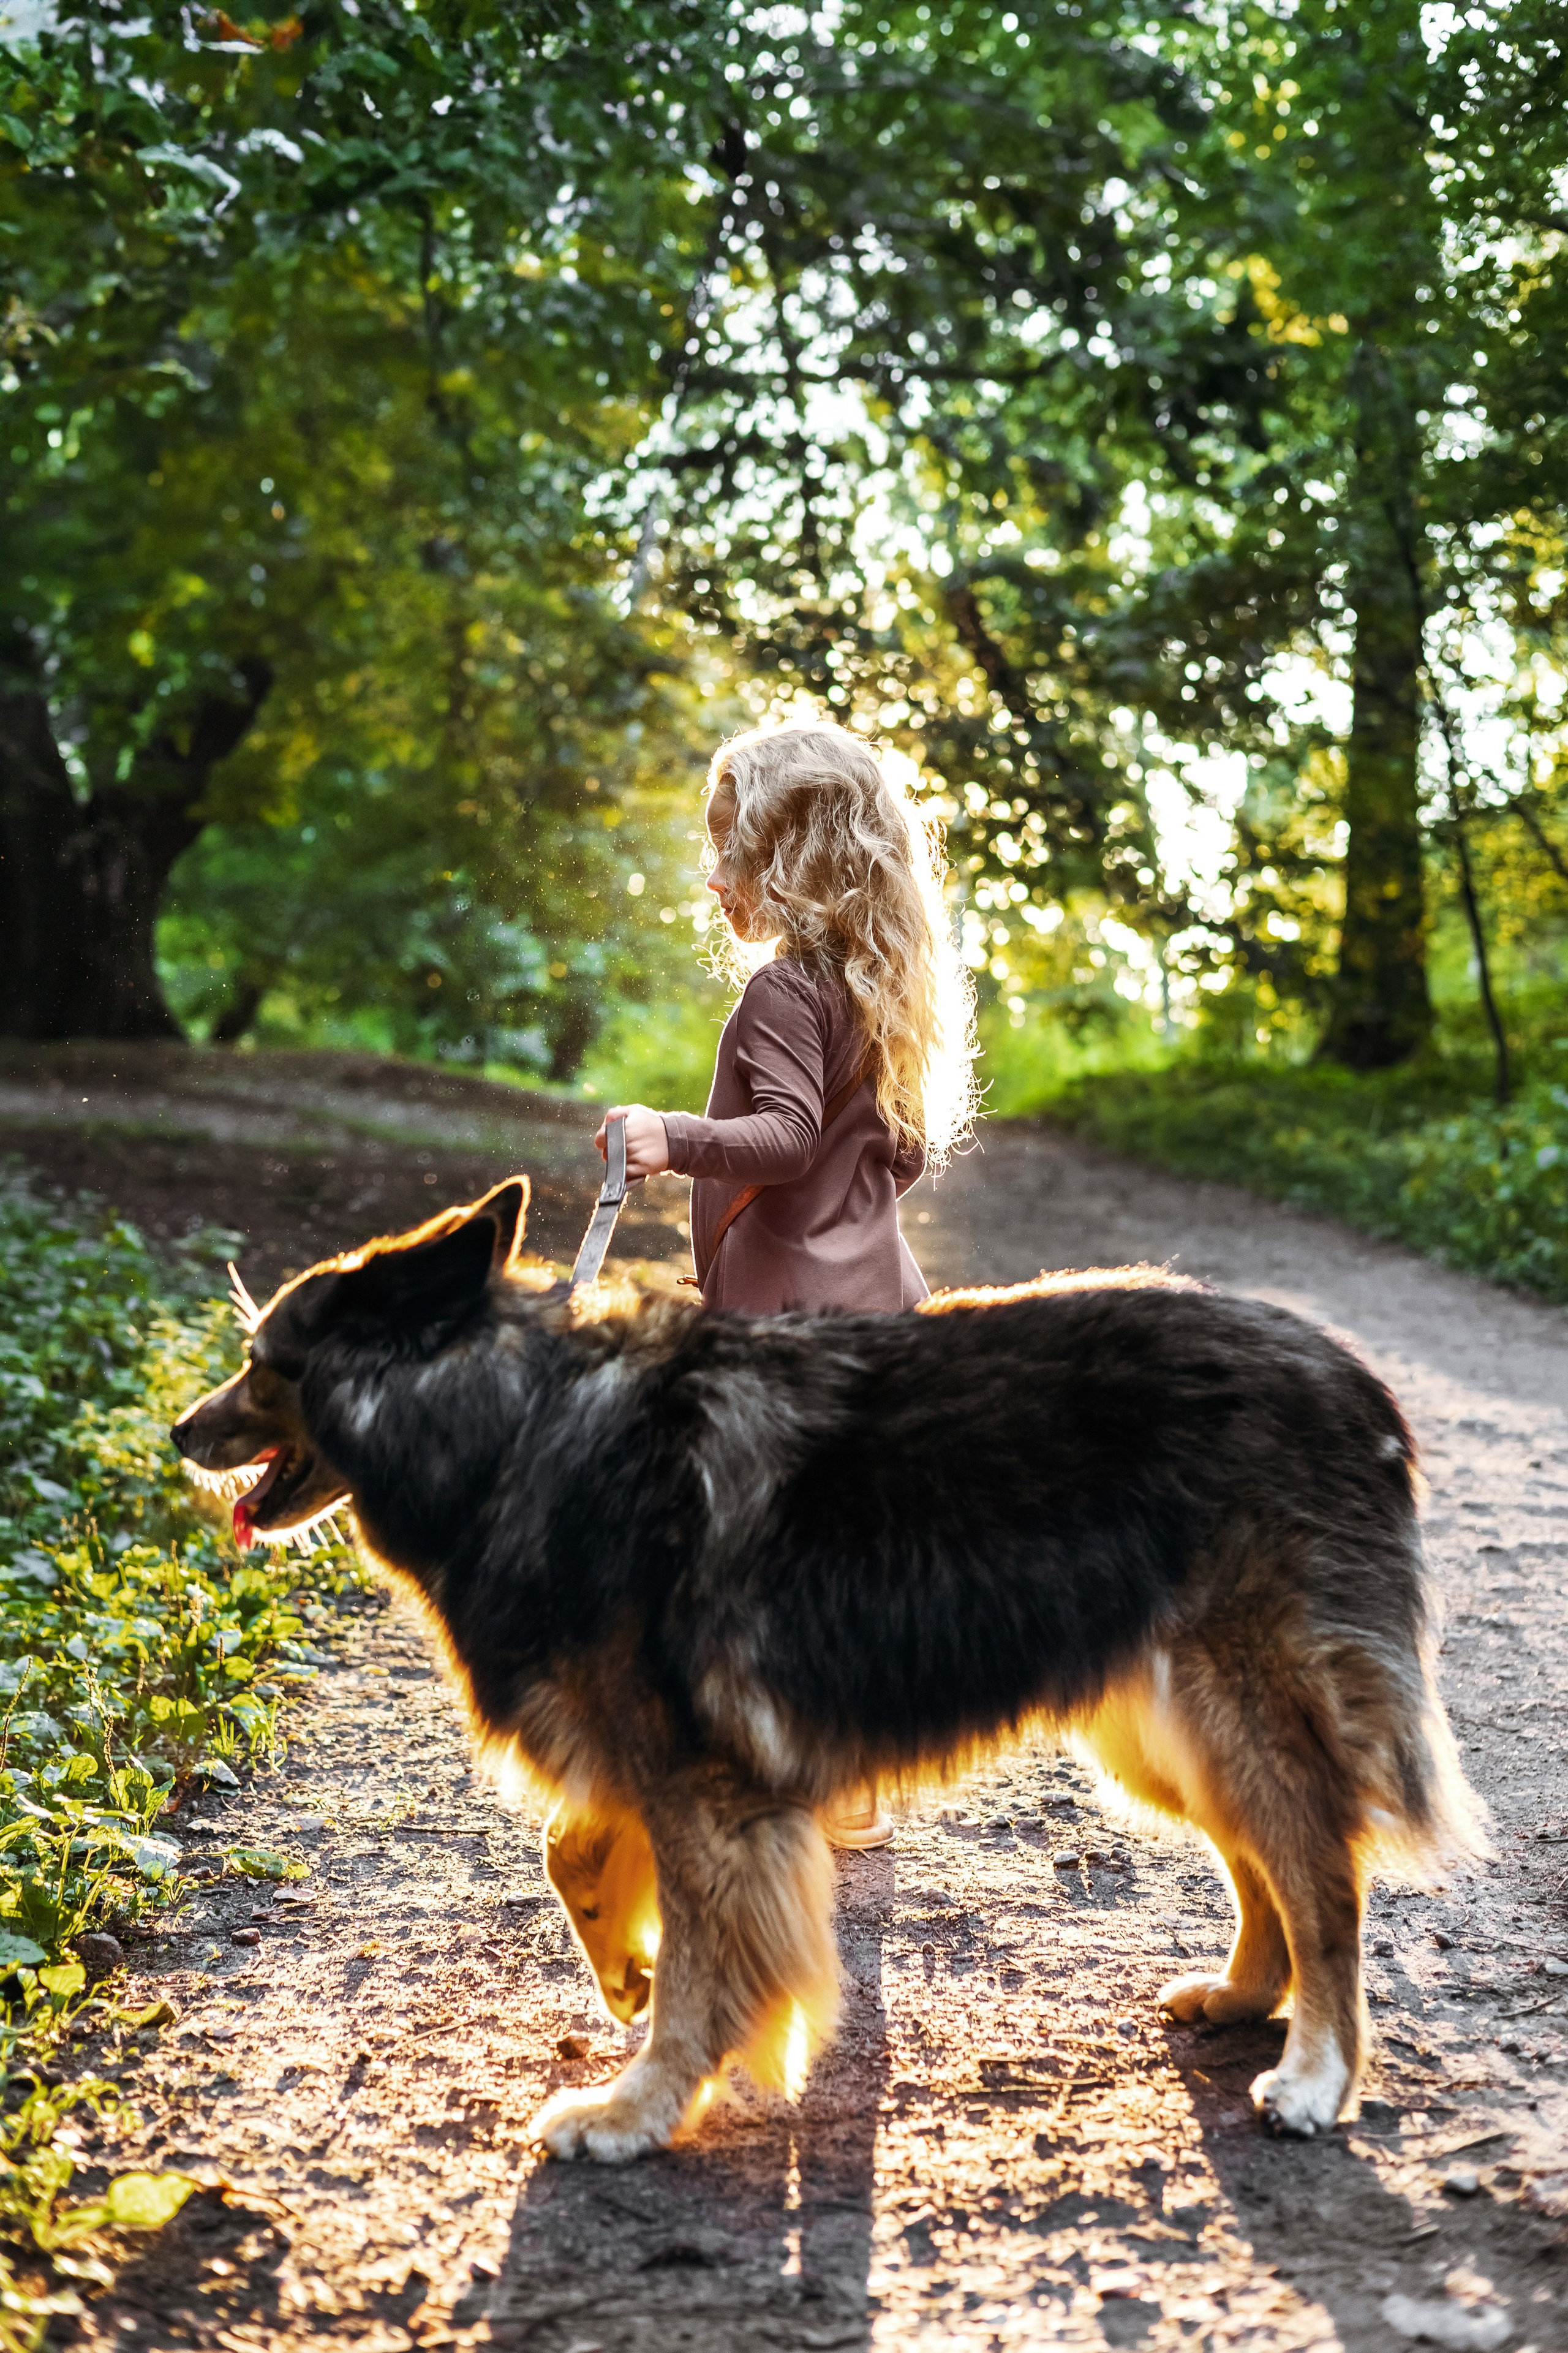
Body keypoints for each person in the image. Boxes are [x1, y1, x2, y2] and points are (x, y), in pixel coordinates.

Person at [594, 716, 979, 1848]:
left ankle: (793, 1760)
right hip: (880, 1304)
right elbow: (891, 1153)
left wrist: (671, 1136)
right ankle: (862, 1767)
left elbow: (787, 1135)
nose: (713, 878)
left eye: (734, 853)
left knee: (764, 1546)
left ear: (796, 861)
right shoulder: (876, 988)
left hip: (783, 1325)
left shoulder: (780, 993)